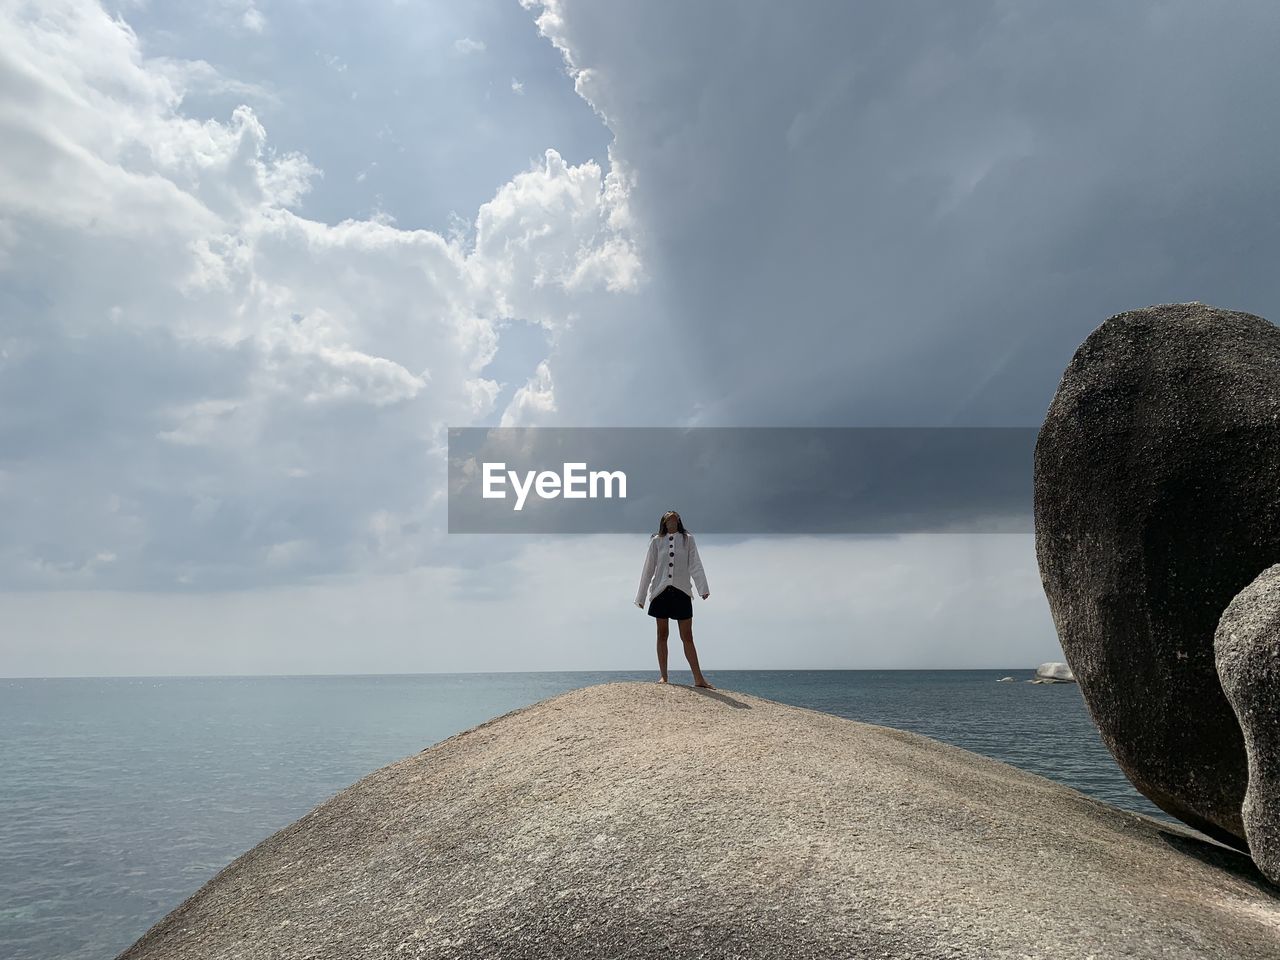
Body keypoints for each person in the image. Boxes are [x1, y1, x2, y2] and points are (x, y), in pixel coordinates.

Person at [635, 510, 715, 689]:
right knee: (662, 635)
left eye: (674, 516)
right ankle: (664, 676)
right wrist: (641, 597)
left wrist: (703, 588)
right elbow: (648, 569)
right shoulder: (656, 541)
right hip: (660, 591)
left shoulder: (688, 539)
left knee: (687, 636)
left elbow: (695, 563)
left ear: (678, 520)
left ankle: (699, 679)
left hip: (682, 592)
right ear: (663, 521)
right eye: (668, 516)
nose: (671, 518)